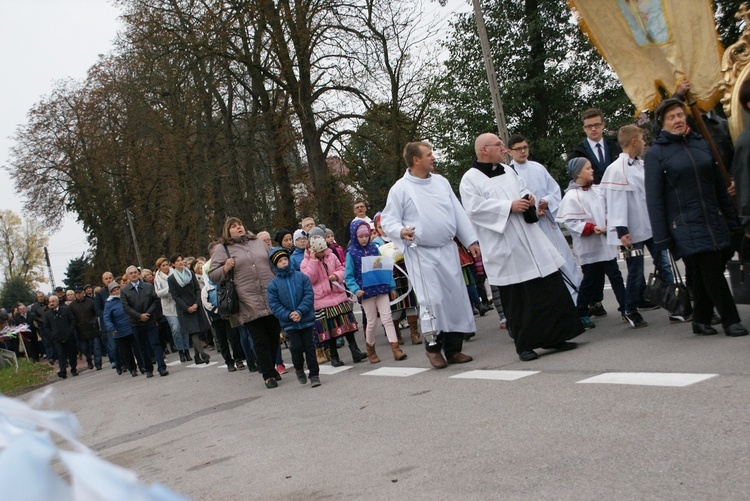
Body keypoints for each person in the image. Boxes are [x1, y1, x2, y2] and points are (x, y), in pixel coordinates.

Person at [461, 133, 583, 362]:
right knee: (519, 300)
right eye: (498, 145)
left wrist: (529, 199)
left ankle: (557, 336)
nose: (503, 148)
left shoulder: (508, 170)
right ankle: (525, 344)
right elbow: (475, 209)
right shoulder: (470, 179)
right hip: (506, 245)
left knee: (548, 290)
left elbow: (524, 189)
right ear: (484, 150)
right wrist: (509, 206)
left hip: (530, 240)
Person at [646, 98, 748, 337]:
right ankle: (730, 320)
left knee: (707, 268)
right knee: (710, 267)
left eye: (680, 115)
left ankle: (700, 318)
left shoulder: (701, 143)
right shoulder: (656, 154)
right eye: (671, 117)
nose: (678, 120)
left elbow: (719, 185)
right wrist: (661, 239)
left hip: (713, 217)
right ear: (662, 123)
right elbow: (654, 199)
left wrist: (733, 219)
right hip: (683, 223)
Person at [381, 141, 476, 368]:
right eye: (429, 154)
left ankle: (454, 349)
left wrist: (471, 240)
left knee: (454, 298)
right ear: (416, 160)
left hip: (447, 249)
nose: (433, 157)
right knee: (431, 300)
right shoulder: (400, 188)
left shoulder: (441, 182)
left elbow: (457, 212)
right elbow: (388, 220)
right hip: (421, 253)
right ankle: (433, 347)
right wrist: (400, 231)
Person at [600, 125, 674, 326]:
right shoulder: (617, 169)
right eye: (642, 139)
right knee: (635, 271)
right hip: (631, 231)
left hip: (650, 226)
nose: (644, 143)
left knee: (664, 265)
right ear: (634, 141)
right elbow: (614, 201)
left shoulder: (640, 165)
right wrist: (621, 230)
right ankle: (630, 309)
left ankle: (675, 306)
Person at [209, 217, 283, 388]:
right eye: (234, 227)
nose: (238, 228)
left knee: (273, 334)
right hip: (246, 298)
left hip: (269, 293)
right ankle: (267, 374)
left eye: (240, 225)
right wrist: (225, 268)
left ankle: (271, 367)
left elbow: (273, 260)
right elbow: (213, 273)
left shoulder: (257, 242)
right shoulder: (223, 249)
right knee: (259, 338)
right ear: (228, 231)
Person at [508, 134, 582, 299]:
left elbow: (554, 189)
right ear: (509, 152)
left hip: (549, 222)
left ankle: (580, 300)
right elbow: (514, 200)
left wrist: (546, 201)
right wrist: (533, 211)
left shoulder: (538, 167)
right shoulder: (509, 173)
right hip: (532, 226)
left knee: (566, 260)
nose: (522, 151)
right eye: (518, 149)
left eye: (525, 147)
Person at [557, 157, 627, 330]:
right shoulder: (572, 196)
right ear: (578, 173)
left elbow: (609, 209)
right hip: (590, 248)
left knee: (616, 276)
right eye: (588, 168)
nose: (592, 170)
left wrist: (608, 224)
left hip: (606, 246)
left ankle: (627, 307)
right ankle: (581, 312)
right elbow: (570, 222)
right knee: (589, 282)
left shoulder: (598, 190)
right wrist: (590, 228)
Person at [345, 220, 406, 363]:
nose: (364, 239)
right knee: (371, 322)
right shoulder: (351, 253)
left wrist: (391, 287)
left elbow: (384, 268)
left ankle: (396, 349)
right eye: (360, 237)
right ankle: (370, 349)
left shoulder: (374, 248)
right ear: (355, 237)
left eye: (366, 235)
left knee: (387, 318)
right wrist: (355, 289)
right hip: (365, 292)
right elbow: (348, 276)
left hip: (381, 288)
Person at [302, 234, 365, 365]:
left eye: (324, 249)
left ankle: (355, 351)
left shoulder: (331, 256)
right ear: (312, 250)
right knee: (330, 330)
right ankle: (334, 356)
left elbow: (342, 269)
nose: (323, 252)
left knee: (348, 326)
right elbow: (309, 279)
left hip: (338, 295)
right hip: (322, 300)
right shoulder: (305, 263)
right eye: (320, 251)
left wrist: (336, 276)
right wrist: (313, 261)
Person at [267, 247, 321, 388]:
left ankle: (314, 374)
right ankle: (299, 369)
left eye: (285, 259)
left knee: (310, 347)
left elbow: (308, 296)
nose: (284, 263)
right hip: (290, 323)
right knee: (296, 348)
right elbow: (275, 305)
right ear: (275, 264)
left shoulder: (301, 277)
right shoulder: (273, 285)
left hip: (305, 319)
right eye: (280, 261)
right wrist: (288, 315)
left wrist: (300, 311)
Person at [120, 265, 170, 377]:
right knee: (142, 347)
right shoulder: (124, 291)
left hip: (150, 320)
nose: (133, 274)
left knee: (155, 343)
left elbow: (156, 301)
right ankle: (148, 369)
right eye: (131, 273)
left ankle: (161, 367)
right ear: (128, 276)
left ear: (138, 274)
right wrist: (139, 316)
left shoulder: (148, 286)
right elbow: (126, 307)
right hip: (136, 323)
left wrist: (148, 314)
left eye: (135, 272)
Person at [168, 253, 211, 365]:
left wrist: (196, 303)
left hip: (195, 305)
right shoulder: (172, 279)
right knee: (193, 332)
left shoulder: (190, 273)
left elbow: (197, 289)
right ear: (173, 264)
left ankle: (197, 357)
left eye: (181, 260)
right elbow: (175, 296)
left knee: (198, 330)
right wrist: (187, 308)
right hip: (185, 309)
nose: (180, 262)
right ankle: (203, 354)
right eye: (177, 261)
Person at [569, 108, 623, 184]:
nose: (593, 129)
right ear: (584, 128)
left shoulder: (616, 147)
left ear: (603, 125)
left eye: (597, 125)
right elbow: (574, 180)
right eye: (589, 126)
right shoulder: (577, 153)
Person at [155, 257, 189, 361]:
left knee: (184, 328)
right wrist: (169, 289)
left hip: (180, 303)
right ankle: (180, 350)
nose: (165, 267)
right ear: (159, 268)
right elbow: (158, 293)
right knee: (175, 329)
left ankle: (186, 350)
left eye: (166, 265)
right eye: (163, 266)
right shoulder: (158, 278)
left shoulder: (175, 273)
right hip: (168, 306)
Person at [103, 281, 140, 377]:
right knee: (126, 351)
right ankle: (132, 369)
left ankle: (142, 365)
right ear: (110, 292)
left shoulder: (125, 297)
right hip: (119, 331)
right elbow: (106, 317)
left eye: (117, 289)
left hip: (132, 326)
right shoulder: (109, 303)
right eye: (114, 290)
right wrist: (111, 327)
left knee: (137, 348)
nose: (116, 291)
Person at [43, 295, 79, 379]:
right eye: (50, 302)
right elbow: (46, 327)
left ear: (57, 302)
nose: (51, 303)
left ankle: (73, 369)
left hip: (68, 336)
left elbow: (72, 320)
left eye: (53, 301)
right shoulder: (47, 314)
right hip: (57, 338)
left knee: (72, 353)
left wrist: (70, 331)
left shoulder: (65, 310)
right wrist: (52, 335)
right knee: (61, 354)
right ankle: (63, 371)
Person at [69, 286, 101, 370]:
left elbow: (96, 313)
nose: (78, 295)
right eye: (77, 293)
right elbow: (71, 318)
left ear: (83, 293)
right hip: (80, 330)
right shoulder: (72, 306)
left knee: (96, 347)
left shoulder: (90, 301)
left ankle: (98, 364)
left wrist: (94, 321)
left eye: (79, 293)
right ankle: (89, 360)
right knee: (84, 349)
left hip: (92, 328)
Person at [94, 272, 117, 368]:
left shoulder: (118, 290)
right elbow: (98, 310)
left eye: (110, 278)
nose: (108, 280)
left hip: (120, 320)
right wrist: (108, 315)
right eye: (106, 278)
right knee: (113, 346)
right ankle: (117, 362)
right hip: (109, 323)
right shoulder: (100, 294)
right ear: (103, 280)